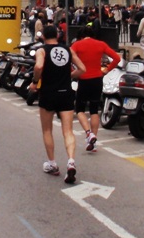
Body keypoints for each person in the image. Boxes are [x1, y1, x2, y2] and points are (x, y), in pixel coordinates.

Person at [28, 24, 85, 185]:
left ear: (44, 37)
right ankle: (71, 161)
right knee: (68, 131)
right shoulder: (67, 49)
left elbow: (39, 66)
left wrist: (35, 82)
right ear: (58, 36)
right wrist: (69, 77)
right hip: (65, 92)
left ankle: (52, 163)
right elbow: (82, 68)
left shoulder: (42, 50)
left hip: (48, 93)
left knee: (47, 130)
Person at [70, 25, 121, 152]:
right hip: (97, 79)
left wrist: (74, 71)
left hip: (83, 79)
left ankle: (88, 133)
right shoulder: (101, 44)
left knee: (80, 109)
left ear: (81, 35)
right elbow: (117, 58)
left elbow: (68, 59)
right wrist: (106, 70)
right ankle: (94, 140)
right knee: (94, 110)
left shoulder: (76, 45)